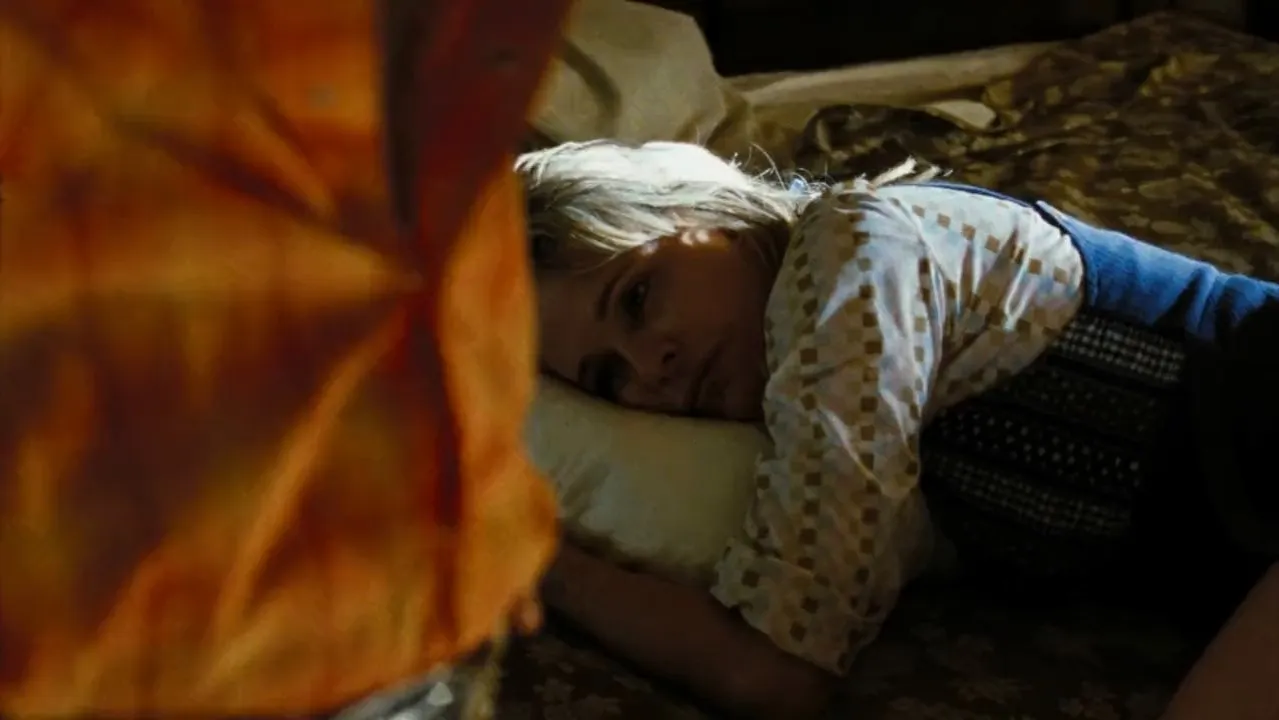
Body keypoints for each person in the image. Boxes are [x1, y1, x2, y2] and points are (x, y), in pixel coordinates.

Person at [520, 139, 1279, 720]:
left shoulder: (848, 253)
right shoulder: (803, 396)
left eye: (638, 297)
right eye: (608, 378)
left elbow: (774, 673)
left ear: (705, 217)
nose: (650, 368)